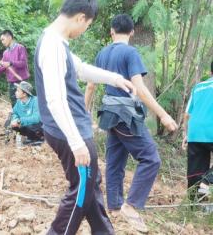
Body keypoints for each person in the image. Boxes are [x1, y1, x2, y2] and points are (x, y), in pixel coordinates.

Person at [35, 0, 136, 235]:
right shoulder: (53, 46)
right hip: (69, 132)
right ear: (80, 18)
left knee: (90, 186)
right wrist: (77, 143)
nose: (85, 30)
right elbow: (55, 100)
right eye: (88, 25)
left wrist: (115, 78)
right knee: (80, 191)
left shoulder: (56, 42)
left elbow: (79, 69)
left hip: (70, 130)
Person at [85, 14, 178, 233]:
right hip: (126, 115)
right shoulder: (130, 52)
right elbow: (141, 89)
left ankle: (115, 208)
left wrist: (85, 113)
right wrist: (163, 115)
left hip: (108, 115)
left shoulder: (102, 53)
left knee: (115, 161)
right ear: (132, 32)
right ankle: (132, 205)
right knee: (151, 158)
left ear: (111, 31)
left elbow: (91, 86)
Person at [182, 61, 213, 198]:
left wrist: (186, 134)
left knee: (196, 170)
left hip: (195, 132)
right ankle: (207, 180)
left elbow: (187, 114)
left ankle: (195, 204)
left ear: (210, 72)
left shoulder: (198, 87)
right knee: (204, 177)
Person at [0, 30, 30, 107]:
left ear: (9, 37)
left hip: (21, 81)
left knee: (23, 103)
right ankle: (15, 118)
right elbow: (2, 67)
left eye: (3, 39)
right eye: (1, 40)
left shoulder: (20, 48)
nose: (2, 42)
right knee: (14, 103)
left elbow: (23, 63)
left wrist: (11, 63)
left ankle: (23, 119)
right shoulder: (5, 52)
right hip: (11, 82)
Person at [10, 81, 43, 145]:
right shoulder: (19, 102)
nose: (15, 92)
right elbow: (15, 113)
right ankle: (29, 138)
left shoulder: (35, 101)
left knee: (32, 126)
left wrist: (20, 121)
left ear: (24, 94)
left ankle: (39, 139)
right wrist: (15, 119)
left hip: (37, 126)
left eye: (18, 91)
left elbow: (37, 118)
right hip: (25, 125)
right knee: (14, 126)